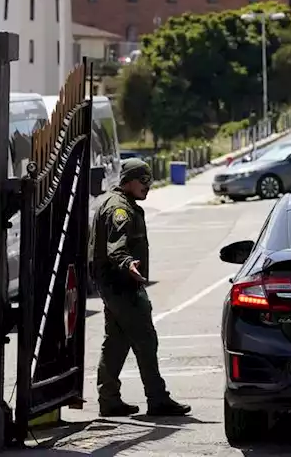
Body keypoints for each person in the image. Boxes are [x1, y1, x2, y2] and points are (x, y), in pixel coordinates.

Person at [89, 158, 192, 418]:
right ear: (130, 180)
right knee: (145, 339)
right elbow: (116, 247)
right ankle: (157, 399)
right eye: (144, 180)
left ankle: (109, 400)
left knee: (116, 341)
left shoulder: (118, 203)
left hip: (115, 286)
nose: (148, 185)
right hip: (123, 287)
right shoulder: (119, 209)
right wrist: (127, 264)